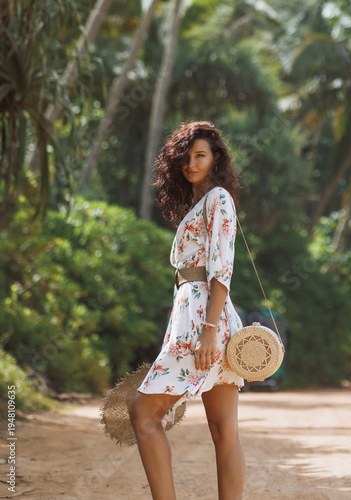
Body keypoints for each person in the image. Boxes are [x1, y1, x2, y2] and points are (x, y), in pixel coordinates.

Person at [129, 121, 246, 500]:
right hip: (198, 314)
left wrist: (210, 329)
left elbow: (222, 268)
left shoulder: (218, 199)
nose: (192, 163)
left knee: (144, 416)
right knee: (222, 429)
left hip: (203, 321)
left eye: (201, 155)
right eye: (187, 156)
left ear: (216, 160)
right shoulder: (200, 203)